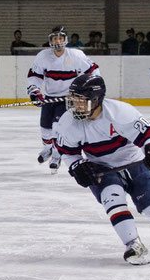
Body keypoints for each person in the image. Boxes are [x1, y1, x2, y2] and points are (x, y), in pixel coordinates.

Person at [56, 74, 150, 265]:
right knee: (113, 199)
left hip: (134, 163)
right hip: (102, 169)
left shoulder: (120, 112)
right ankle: (133, 245)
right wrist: (77, 166)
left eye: (81, 101)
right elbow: (68, 153)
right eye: (73, 100)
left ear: (96, 99)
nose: (75, 106)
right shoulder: (68, 122)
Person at [27, 26, 100, 174]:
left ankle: (56, 155)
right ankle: (48, 148)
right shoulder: (43, 56)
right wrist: (35, 92)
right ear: (50, 41)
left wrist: (90, 88)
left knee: (57, 127)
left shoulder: (76, 55)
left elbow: (93, 71)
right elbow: (35, 76)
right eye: (54, 38)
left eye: (60, 38)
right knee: (45, 128)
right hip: (50, 97)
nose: (57, 41)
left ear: (65, 39)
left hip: (68, 99)